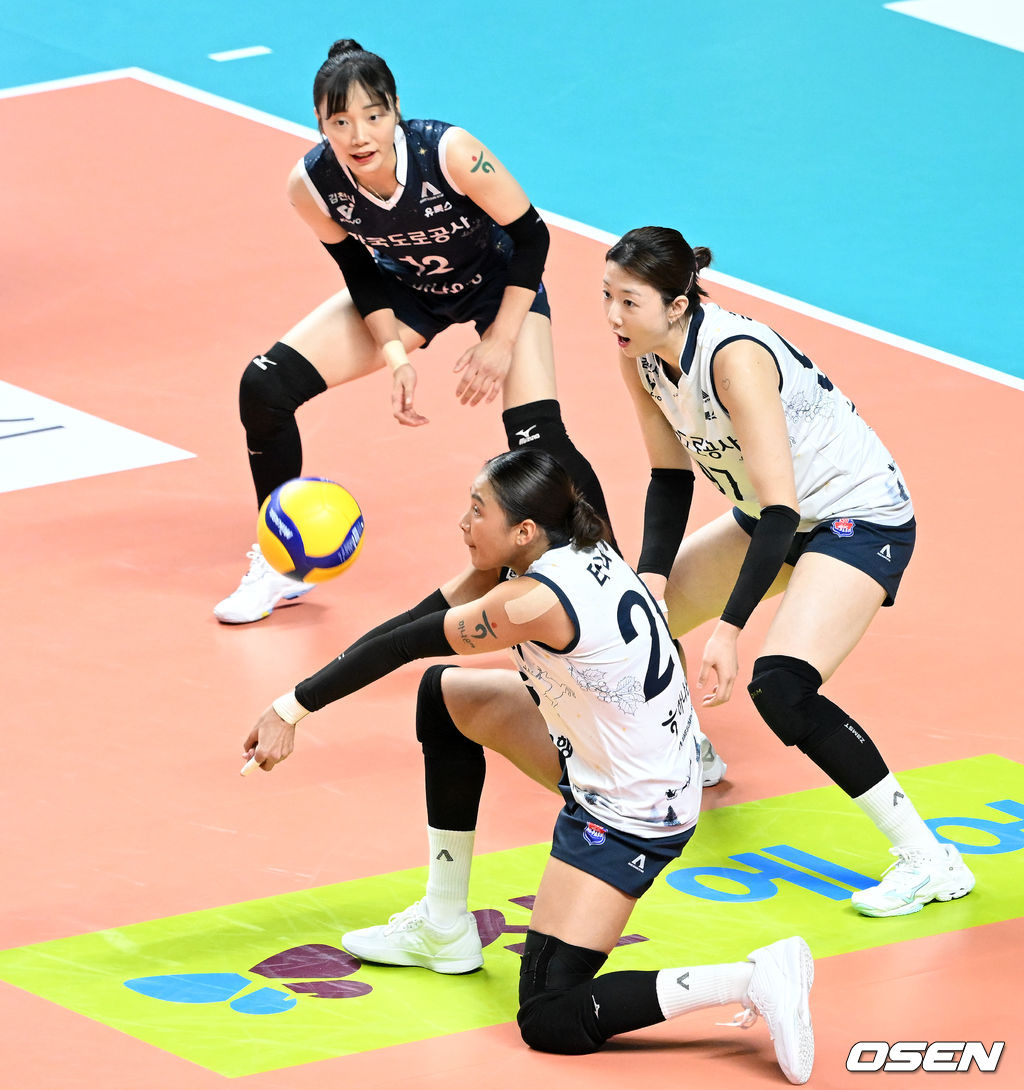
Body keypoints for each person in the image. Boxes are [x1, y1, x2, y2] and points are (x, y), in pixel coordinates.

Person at [243, 449, 814, 1084]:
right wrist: (297, 701)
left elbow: (404, 643)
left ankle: (750, 979)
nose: (463, 522)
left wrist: (290, 708)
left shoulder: (533, 600)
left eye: (477, 510)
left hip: (634, 807)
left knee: (549, 1014)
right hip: (618, 750)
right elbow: (412, 624)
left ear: (524, 530)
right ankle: (443, 922)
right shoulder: (570, 548)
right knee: (445, 698)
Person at [602, 226, 975, 918]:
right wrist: (651, 576)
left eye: (629, 302)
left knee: (781, 687)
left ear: (677, 306)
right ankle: (689, 750)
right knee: (633, 623)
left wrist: (729, 631)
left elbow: (782, 510)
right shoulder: (643, 359)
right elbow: (668, 476)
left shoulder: (734, 358)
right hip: (769, 514)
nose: (613, 316)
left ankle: (930, 860)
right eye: (607, 297)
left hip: (855, 516)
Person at [215, 38, 611, 624]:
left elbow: (533, 237)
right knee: (264, 386)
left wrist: (501, 340)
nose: (360, 136)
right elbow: (358, 271)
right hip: (408, 290)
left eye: (374, 116)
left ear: (396, 109)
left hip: (499, 281)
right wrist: (395, 354)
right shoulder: (313, 184)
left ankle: (614, 579)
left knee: (538, 438)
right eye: (340, 122)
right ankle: (280, 565)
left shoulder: (450, 153)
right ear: (320, 122)